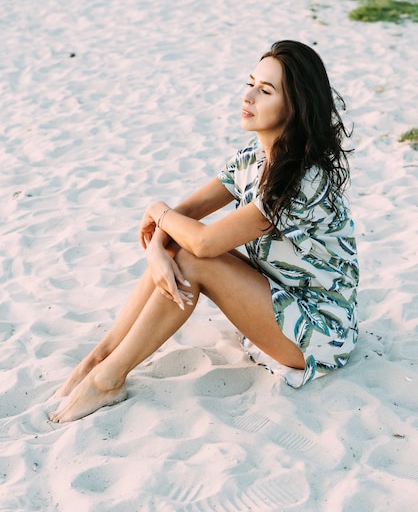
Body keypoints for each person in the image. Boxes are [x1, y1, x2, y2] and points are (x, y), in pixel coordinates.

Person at [49, 40, 359, 423]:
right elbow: (185, 216)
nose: (248, 96)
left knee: (196, 258)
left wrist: (155, 210)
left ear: (294, 106)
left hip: (318, 333)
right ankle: (100, 358)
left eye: (265, 91)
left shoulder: (298, 179)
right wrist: (159, 251)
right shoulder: (252, 158)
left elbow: (202, 239)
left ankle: (108, 380)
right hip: (278, 300)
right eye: (250, 83)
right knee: (184, 245)